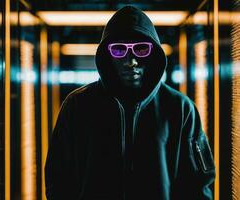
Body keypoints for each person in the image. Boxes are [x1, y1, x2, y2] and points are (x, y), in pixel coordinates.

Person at [45, 5, 215, 200]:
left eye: (141, 49)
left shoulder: (180, 109)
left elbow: (198, 185)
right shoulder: (77, 106)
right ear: (108, 55)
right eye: (119, 50)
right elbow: (58, 178)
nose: (130, 60)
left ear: (153, 54)